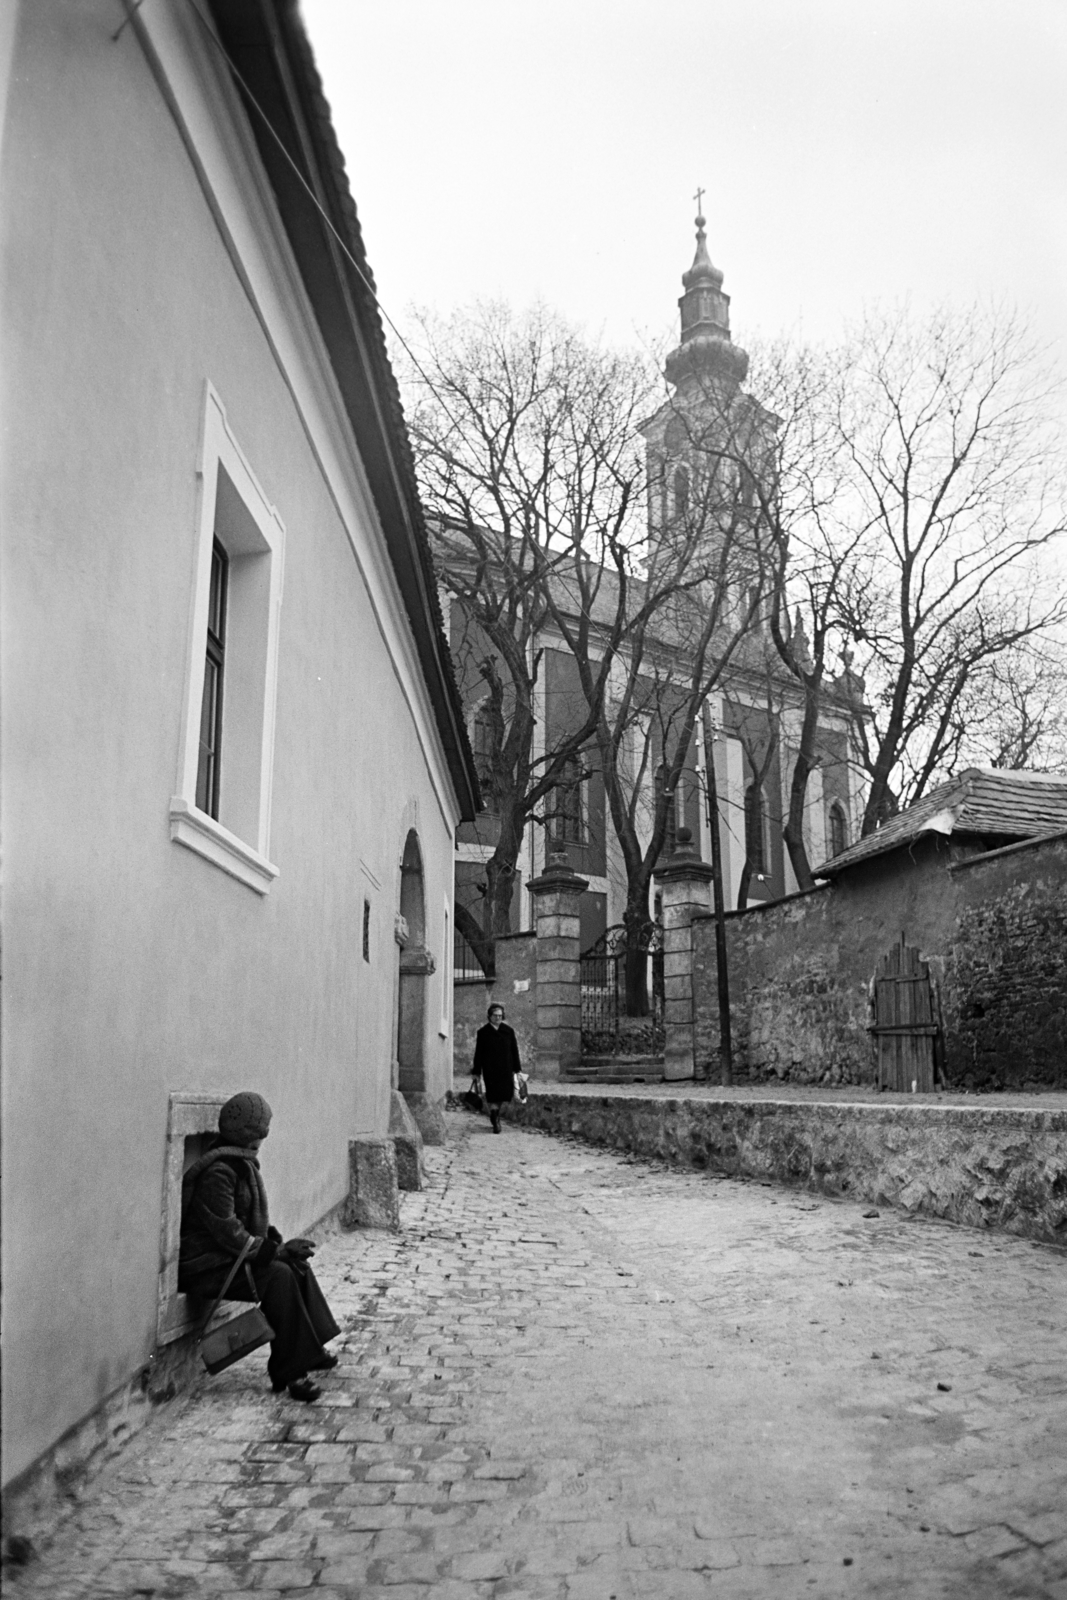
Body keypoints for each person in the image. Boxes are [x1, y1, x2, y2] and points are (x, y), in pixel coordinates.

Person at [179, 1092, 340, 1402]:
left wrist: (280, 1245)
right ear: (251, 1135)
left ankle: (313, 1348)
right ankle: (290, 1373)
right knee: (278, 1277)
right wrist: (274, 1252)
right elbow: (230, 1233)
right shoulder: (219, 1173)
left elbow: (251, 1223)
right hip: (205, 1267)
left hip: (226, 1259)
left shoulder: (242, 1164)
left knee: (295, 1266)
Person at [473, 1003, 522, 1133]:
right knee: (493, 1094)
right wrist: (476, 1071)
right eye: (495, 1015)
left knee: (504, 1094)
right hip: (490, 1069)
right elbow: (478, 1053)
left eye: (500, 1015)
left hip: (506, 1068)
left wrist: (517, 1069)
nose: (498, 1018)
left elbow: (514, 1050)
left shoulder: (508, 1031)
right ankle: (495, 1118)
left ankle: (495, 1113)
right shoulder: (483, 1032)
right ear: (489, 1016)